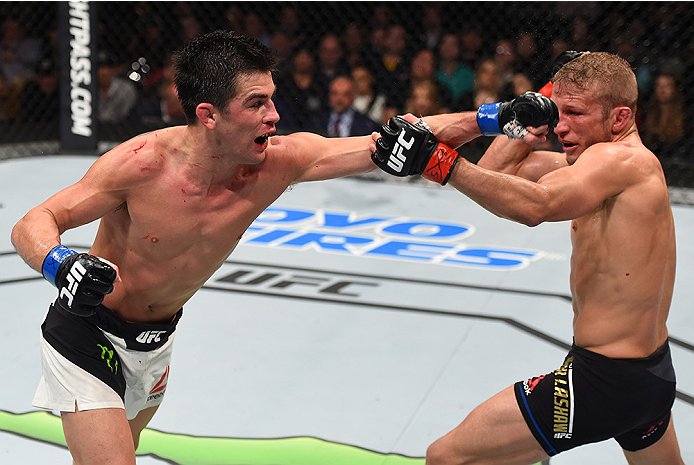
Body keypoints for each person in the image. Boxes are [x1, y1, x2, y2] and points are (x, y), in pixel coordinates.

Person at [11, 30, 378, 465]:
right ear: (209, 115)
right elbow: (31, 223)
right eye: (256, 103)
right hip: (85, 332)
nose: (274, 115)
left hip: (154, 344)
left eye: (271, 99)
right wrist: (61, 262)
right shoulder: (142, 163)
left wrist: (482, 120)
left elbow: (393, 142)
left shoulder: (269, 165)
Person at [371, 51, 684, 464]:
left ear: (620, 119)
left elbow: (536, 205)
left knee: (447, 457)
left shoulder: (621, 160)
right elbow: (498, 174)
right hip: (647, 376)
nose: (561, 125)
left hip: (604, 381)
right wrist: (523, 117)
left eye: (574, 113)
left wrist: (438, 161)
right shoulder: (598, 165)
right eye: (558, 111)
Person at [309, 75, 380, 137]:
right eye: (334, 94)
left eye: (345, 94)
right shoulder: (316, 120)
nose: (339, 99)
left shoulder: (367, 125)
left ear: (353, 96)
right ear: (329, 95)